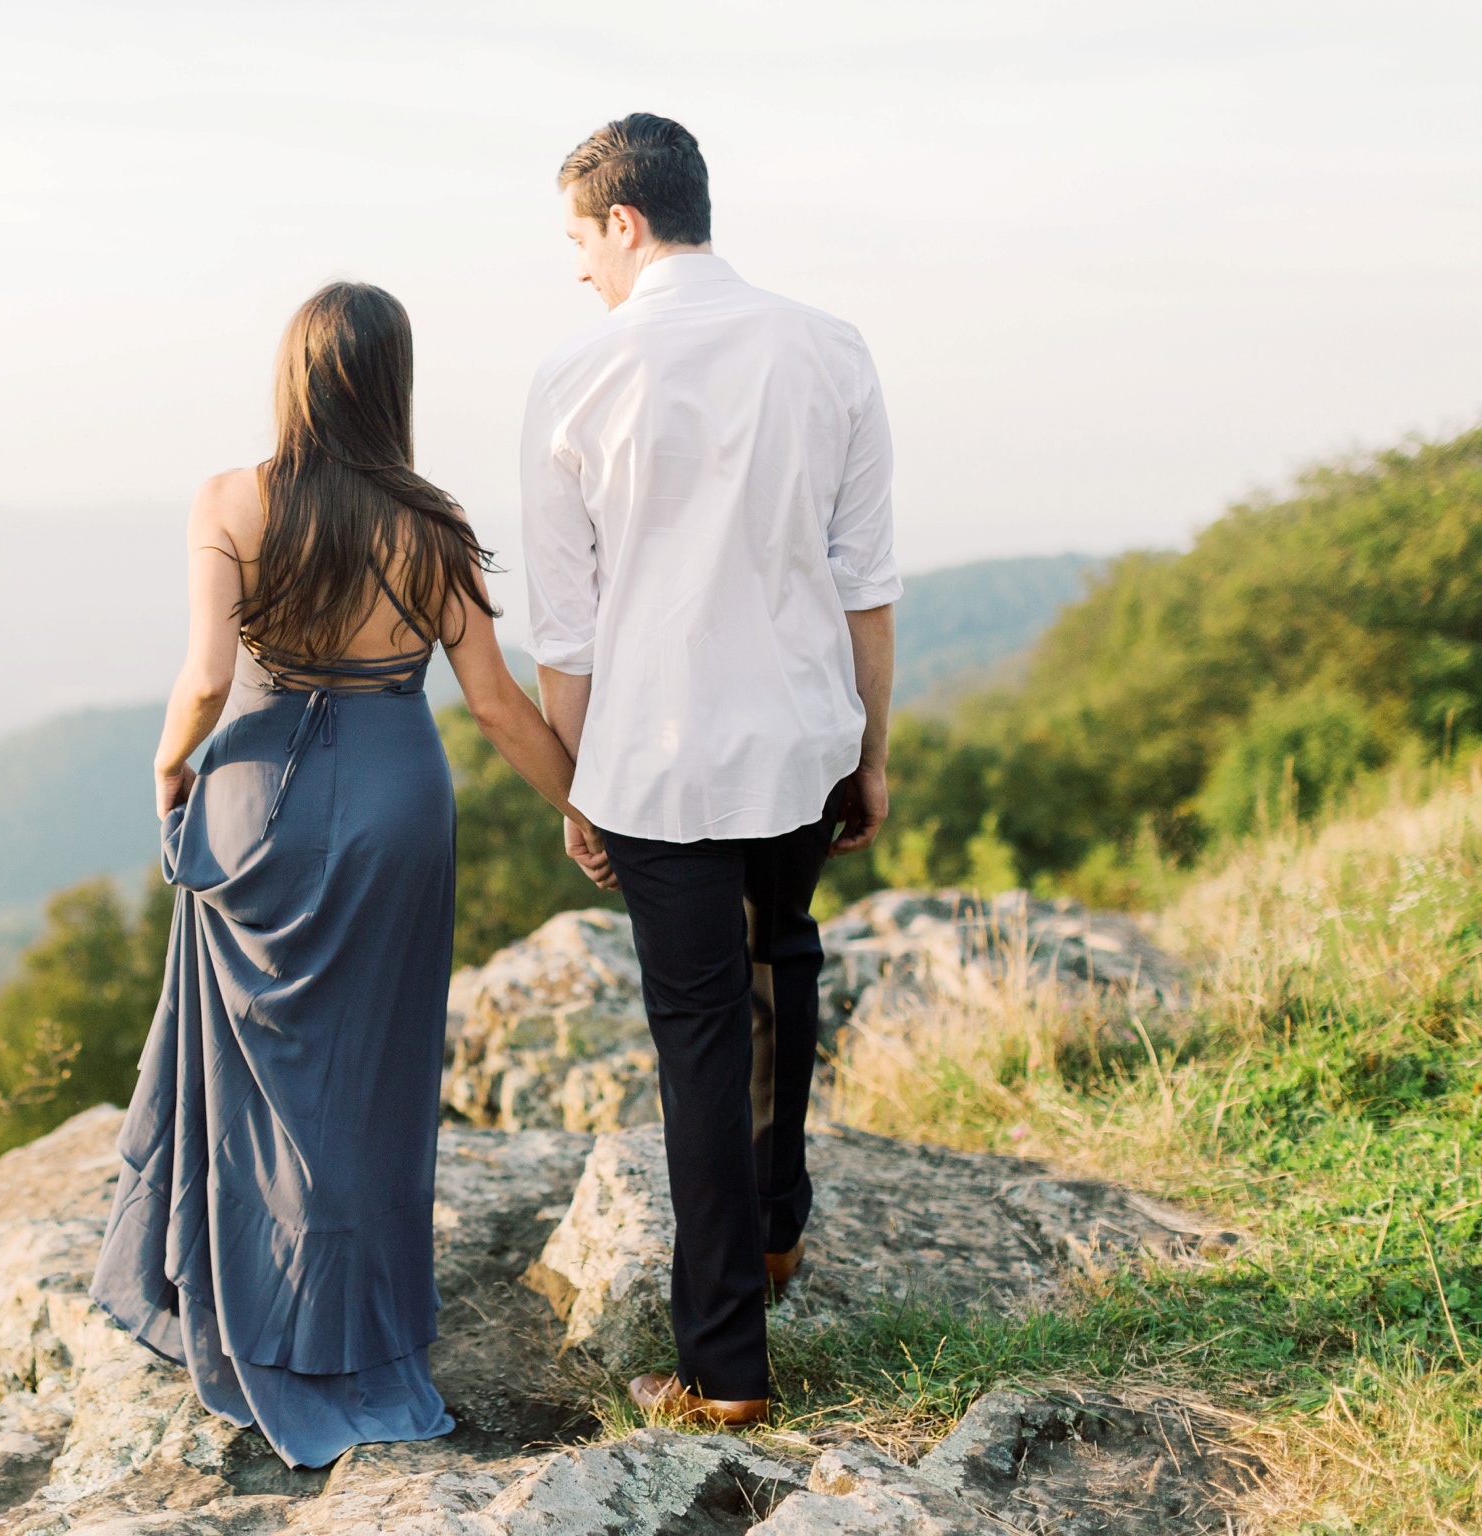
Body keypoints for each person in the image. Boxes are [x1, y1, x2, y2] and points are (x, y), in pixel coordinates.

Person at [89, 282, 591, 1469]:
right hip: (394, 805)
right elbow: (494, 704)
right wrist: (583, 808)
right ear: (389, 383)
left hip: (254, 798)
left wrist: (167, 772)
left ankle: (237, 1293)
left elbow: (205, 681)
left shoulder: (229, 500)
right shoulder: (430, 525)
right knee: (373, 1077)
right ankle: (360, 1330)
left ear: (293, 376)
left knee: (250, 1073)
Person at [522, 114, 899, 1426]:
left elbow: (564, 632)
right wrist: (871, 749)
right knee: (781, 959)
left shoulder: (575, 377)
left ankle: (725, 1369)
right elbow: (864, 583)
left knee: (697, 1044)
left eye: (579, 238)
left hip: (655, 760)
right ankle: (779, 1224)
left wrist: (576, 784)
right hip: (801, 737)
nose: (577, 265)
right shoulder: (830, 347)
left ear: (624, 222)